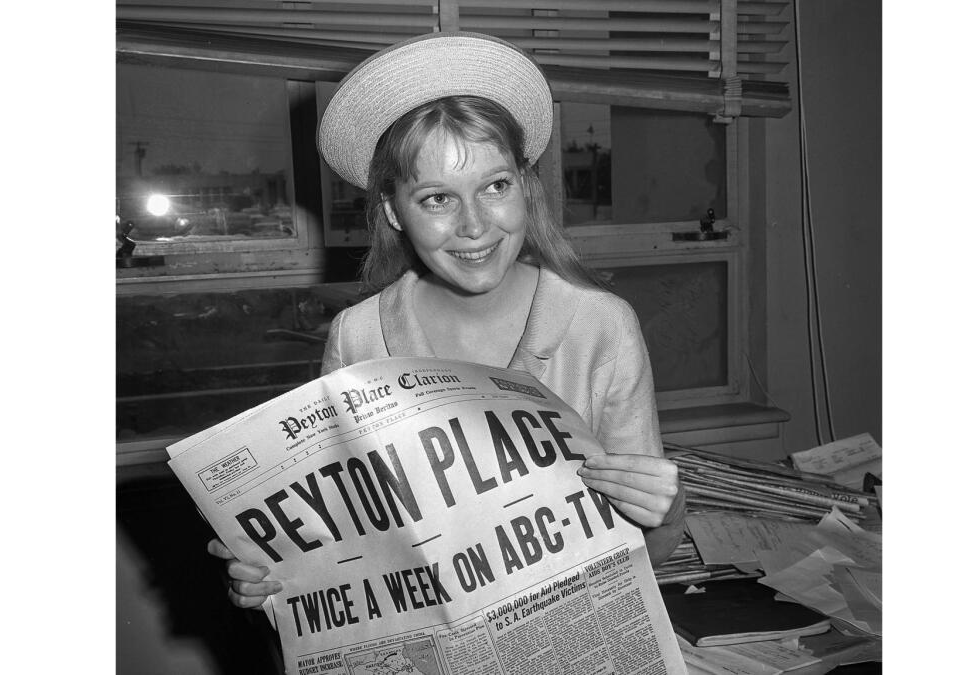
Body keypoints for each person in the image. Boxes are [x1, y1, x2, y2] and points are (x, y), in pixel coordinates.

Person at [209, 30, 686, 611]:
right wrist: (272, 576)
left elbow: (646, 549)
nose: (474, 225)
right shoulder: (358, 336)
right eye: (437, 198)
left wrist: (666, 511)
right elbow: (347, 546)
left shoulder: (600, 325)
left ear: (526, 188)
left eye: (495, 186)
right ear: (393, 211)